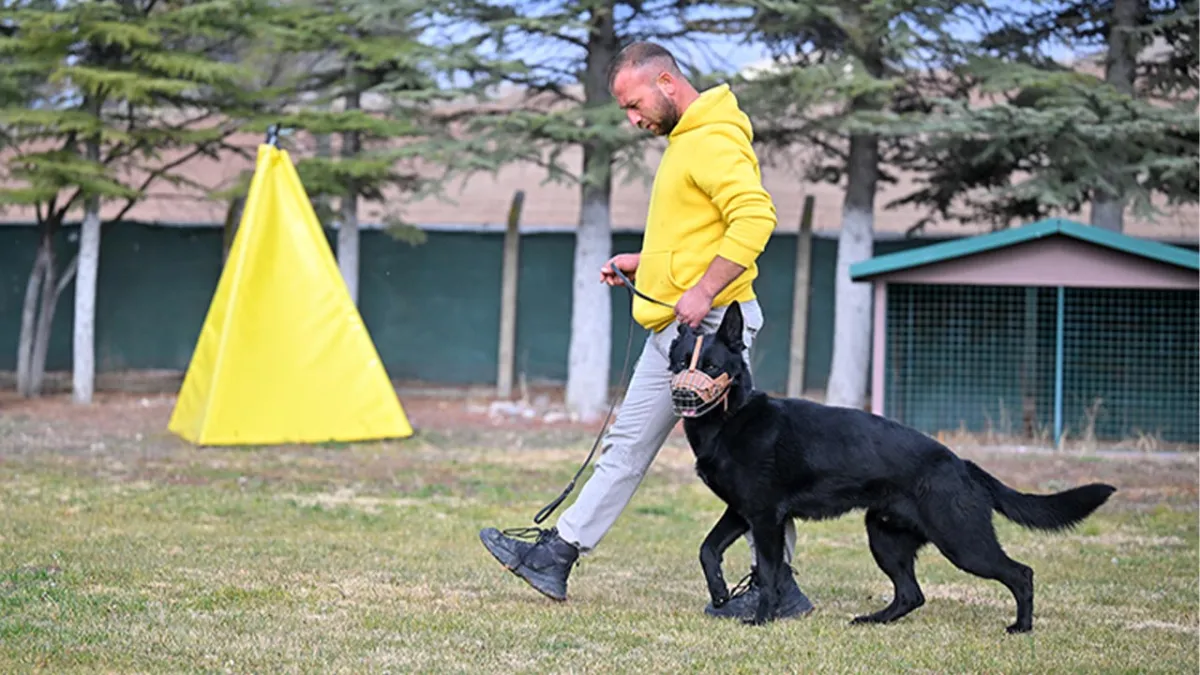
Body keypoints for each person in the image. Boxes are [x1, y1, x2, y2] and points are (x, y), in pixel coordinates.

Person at [479, 41, 813, 621]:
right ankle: (556, 555)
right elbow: (699, 232)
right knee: (627, 446)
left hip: (712, 334)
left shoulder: (712, 138)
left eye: (634, 105)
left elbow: (755, 217)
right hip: (680, 329)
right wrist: (647, 264)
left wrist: (703, 290)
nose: (633, 120)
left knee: (749, 460)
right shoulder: (687, 140)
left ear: (664, 82)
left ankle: (778, 587)